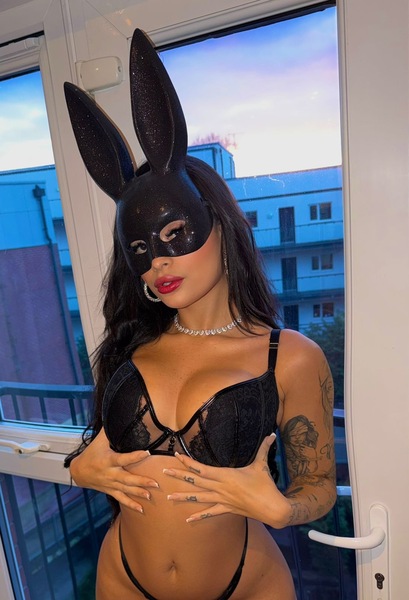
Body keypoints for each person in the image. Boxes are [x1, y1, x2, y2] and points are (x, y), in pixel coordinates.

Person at [64, 28, 336, 600]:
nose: (158, 262)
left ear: (218, 225)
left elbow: (319, 487)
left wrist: (281, 510)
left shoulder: (288, 358)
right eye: (141, 250)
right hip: (123, 577)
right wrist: (79, 468)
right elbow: (99, 450)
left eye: (174, 234)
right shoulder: (131, 345)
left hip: (246, 584)